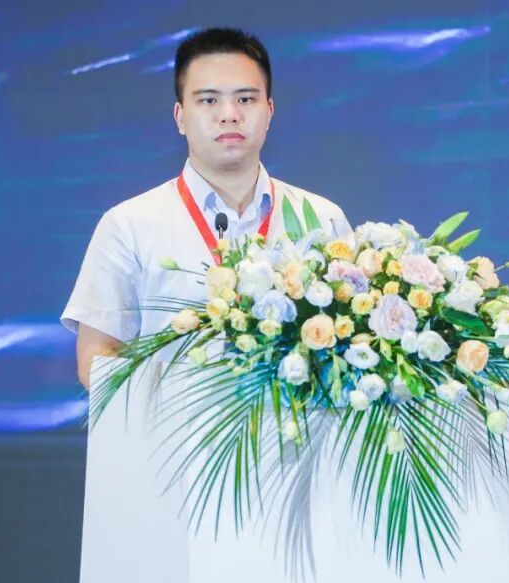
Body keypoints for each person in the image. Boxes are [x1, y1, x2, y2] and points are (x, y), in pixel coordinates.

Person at [61, 27, 352, 389]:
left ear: (269, 111)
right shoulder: (128, 225)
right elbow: (98, 355)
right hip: (172, 425)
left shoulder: (323, 219)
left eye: (246, 99)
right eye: (209, 100)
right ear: (180, 117)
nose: (229, 114)